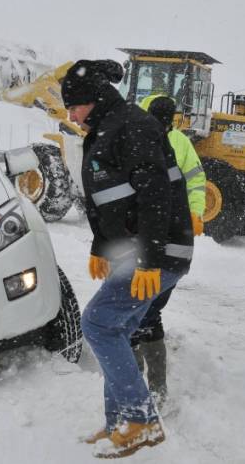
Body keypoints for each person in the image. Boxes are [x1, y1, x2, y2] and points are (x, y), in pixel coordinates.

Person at [62, 60, 193, 457]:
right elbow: (110, 199)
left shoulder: (130, 125)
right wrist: (101, 245)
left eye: (74, 107)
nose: (70, 116)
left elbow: (155, 197)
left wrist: (150, 260)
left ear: (92, 99)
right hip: (136, 251)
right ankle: (119, 421)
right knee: (117, 329)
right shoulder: (106, 128)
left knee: (98, 323)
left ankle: (139, 420)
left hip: (158, 252)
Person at [130, 95, 206, 407]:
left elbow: (193, 181)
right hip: (176, 248)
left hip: (155, 249)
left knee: (134, 315)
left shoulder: (146, 145)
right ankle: (155, 391)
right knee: (148, 313)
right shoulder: (173, 144)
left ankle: (136, 391)